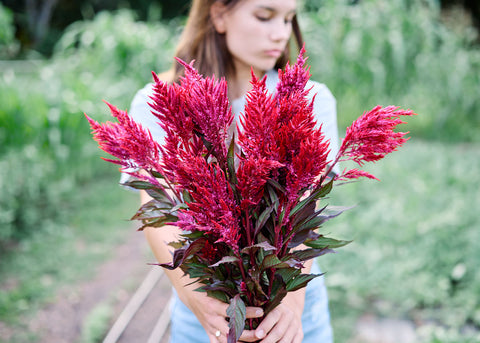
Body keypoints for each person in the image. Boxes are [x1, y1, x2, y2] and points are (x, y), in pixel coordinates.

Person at [123, 0, 339, 342]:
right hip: (206, 319)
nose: (281, 33)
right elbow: (158, 207)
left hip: (294, 319)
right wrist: (195, 299)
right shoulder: (161, 99)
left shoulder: (310, 97)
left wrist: (292, 304)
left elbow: (303, 205)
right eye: (265, 16)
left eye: (288, 19)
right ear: (219, 14)